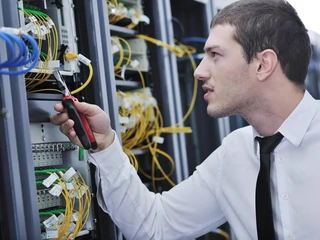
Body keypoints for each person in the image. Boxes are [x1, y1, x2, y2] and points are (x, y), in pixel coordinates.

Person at [50, 0, 320, 239]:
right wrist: (107, 144)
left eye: (215, 55)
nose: (199, 71)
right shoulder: (234, 154)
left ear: (263, 64)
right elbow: (154, 227)